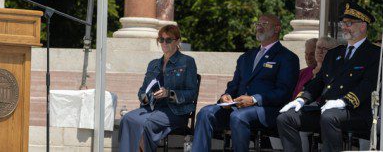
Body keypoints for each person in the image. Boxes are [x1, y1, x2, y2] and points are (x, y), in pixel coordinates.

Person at [277, 2, 380, 152]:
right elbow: (318, 82)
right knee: (286, 118)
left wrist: (342, 102)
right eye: (343, 23)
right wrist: (302, 99)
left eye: (349, 23)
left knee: (329, 117)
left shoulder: (374, 54)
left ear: (363, 26)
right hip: (326, 109)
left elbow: (368, 85)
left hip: (355, 113)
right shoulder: (335, 53)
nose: (344, 27)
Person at [192, 14, 299, 152]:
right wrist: (226, 95)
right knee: (205, 112)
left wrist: (254, 99)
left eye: (264, 24)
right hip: (237, 106)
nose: (259, 27)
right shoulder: (246, 57)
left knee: (238, 117)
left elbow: (284, 92)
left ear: (277, 28)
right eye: (258, 24)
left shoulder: (287, 57)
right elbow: (234, 85)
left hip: (267, 110)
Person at [118, 24, 198, 152]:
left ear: (177, 41)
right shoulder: (153, 64)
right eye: (161, 40)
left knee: (147, 124)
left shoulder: (187, 62)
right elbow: (142, 91)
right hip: (151, 108)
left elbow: (191, 93)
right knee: (127, 119)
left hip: (175, 111)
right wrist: (147, 99)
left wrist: (169, 94)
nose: (164, 43)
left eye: (168, 40)